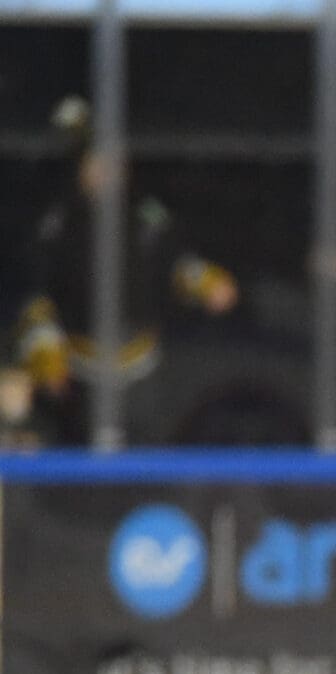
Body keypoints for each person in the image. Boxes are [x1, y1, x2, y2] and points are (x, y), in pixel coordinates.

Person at [13, 95, 236, 447]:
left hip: (142, 370)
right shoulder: (56, 225)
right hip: (80, 372)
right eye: (97, 163)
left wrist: (204, 281)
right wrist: (45, 354)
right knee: (78, 463)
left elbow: (175, 262)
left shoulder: (145, 214)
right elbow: (34, 296)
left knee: (146, 463)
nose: (108, 171)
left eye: (115, 161)